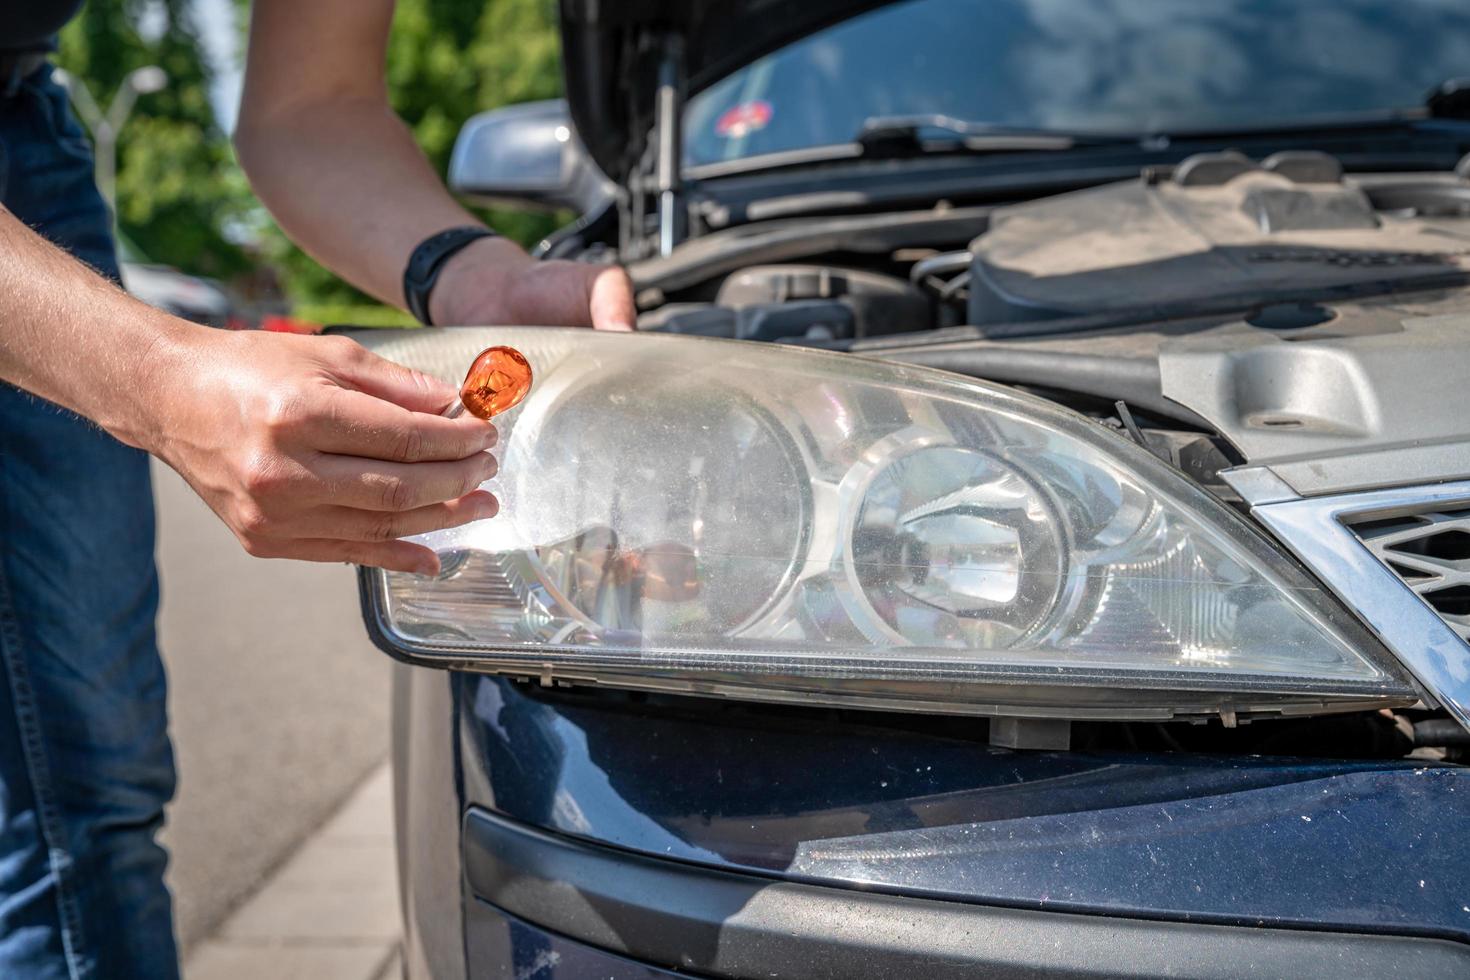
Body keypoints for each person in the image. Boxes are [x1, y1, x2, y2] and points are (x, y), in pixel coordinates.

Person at [0, 1, 636, 976]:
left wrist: (471, 277)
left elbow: (312, 103)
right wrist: (161, 378)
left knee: (86, 799)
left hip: (20, 138)